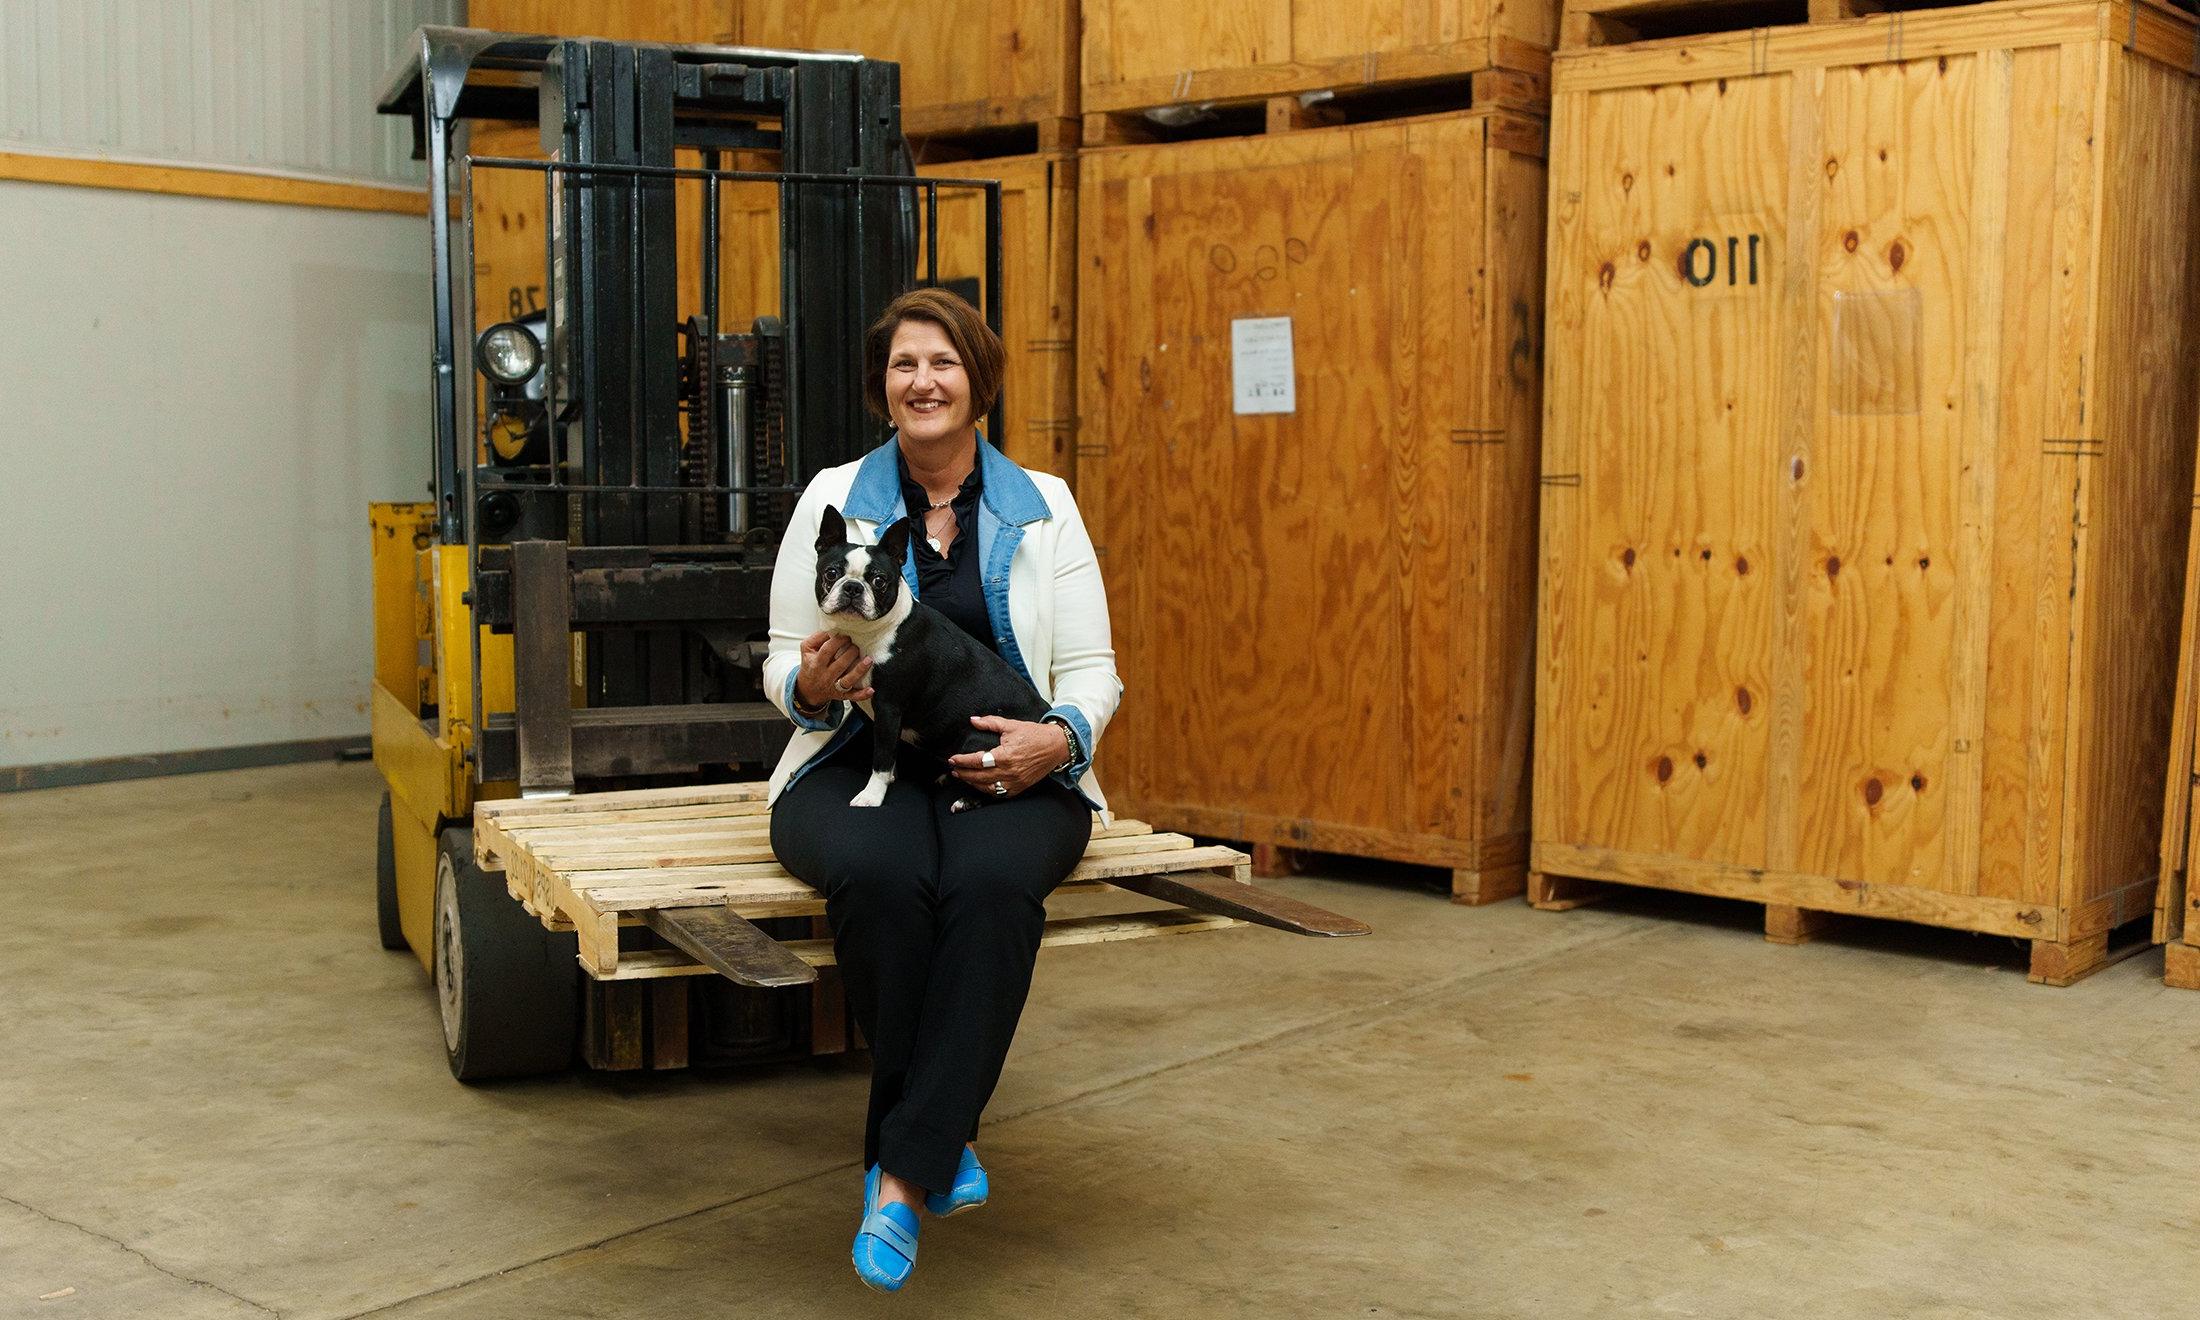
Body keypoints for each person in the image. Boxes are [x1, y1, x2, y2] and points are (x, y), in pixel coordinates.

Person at [762, 287, 1122, 1292]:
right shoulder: (835, 499)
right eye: (904, 364)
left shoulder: (1042, 504)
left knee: (990, 889)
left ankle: (899, 1179)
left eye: (944, 362)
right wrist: (806, 686)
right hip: (855, 762)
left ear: (979, 382)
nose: (923, 381)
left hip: (1011, 764)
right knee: (880, 879)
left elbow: (1095, 670)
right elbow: (780, 658)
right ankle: (937, 1148)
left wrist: (1060, 739)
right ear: (883, 388)